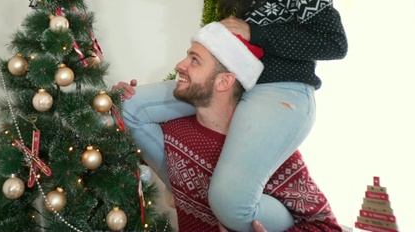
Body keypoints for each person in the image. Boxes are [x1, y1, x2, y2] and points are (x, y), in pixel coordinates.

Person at [48, 0, 348, 230]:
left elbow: (334, 43)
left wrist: (255, 32)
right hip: (227, 83)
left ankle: (278, 221)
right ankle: (190, 192)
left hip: (280, 90)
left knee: (230, 202)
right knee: (127, 107)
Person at [116, 22, 341, 232]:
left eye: (194, 60)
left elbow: (326, 225)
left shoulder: (267, 151)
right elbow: (126, 164)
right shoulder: (173, 132)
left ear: (224, 81)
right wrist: (118, 103)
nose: (180, 66)